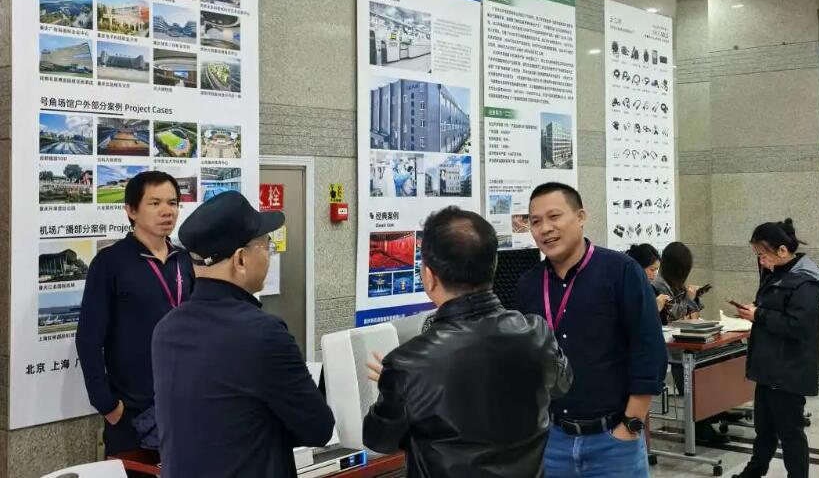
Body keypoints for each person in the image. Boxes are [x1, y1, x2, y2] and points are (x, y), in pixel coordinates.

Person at [363, 206, 572, 478]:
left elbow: (380, 440)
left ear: (429, 276)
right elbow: (562, 385)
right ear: (494, 266)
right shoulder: (536, 333)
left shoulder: (408, 364)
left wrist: (396, 386)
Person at [152, 191, 334, 478]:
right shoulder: (264, 335)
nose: (269, 254)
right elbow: (318, 429)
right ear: (240, 259)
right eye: (265, 245)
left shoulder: (166, 330)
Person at [516, 182, 667, 478]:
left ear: (581, 216)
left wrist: (631, 425)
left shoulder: (621, 271)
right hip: (552, 442)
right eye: (535, 221)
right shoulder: (529, 284)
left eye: (554, 216)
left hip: (613, 441)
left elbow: (648, 348)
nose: (545, 229)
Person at [76, 170, 194, 462]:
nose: (167, 211)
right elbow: (89, 338)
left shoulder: (184, 260)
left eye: (172, 203)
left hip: (184, 402)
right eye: (155, 203)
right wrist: (107, 404)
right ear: (131, 210)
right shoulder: (110, 262)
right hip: (131, 411)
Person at [732, 219, 819, 478]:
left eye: (763, 255)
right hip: (769, 366)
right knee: (764, 429)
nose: (761, 261)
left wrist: (759, 315)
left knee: (790, 433)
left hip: (789, 370)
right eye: (757, 255)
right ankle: (754, 472)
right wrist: (755, 310)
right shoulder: (776, 273)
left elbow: (798, 325)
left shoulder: (805, 281)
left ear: (783, 251)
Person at [655, 242, 726, 445]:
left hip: (685, 339)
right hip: (671, 346)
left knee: (717, 358)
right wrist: (689, 300)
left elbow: (692, 315)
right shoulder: (659, 286)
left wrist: (693, 299)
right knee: (690, 367)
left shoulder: (675, 283)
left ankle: (715, 410)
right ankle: (700, 424)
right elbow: (676, 318)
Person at [652, 241, 703, 324]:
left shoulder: (676, 285)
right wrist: (689, 299)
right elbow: (674, 317)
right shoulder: (657, 286)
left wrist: (695, 297)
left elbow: (695, 314)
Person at [626, 243, 669, 312]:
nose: (655, 274)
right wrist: (656, 308)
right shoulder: (627, 291)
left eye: (657, 269)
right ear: (639, 268)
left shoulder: (651, 289)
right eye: (652, 270)